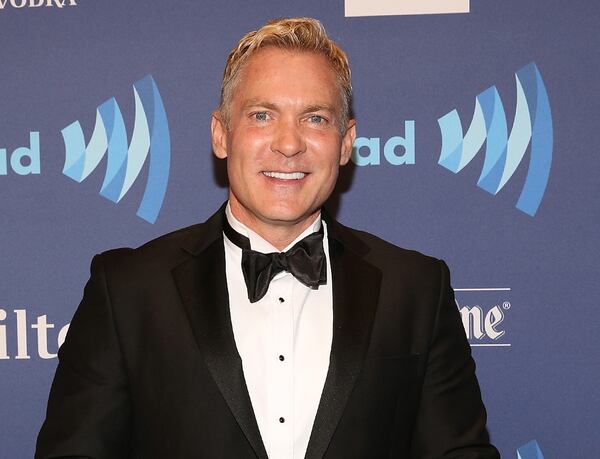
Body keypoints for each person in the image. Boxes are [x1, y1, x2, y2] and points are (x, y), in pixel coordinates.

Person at [36, 17, 500, 459]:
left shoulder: (416, 288)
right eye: (262, 115)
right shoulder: (128, 290)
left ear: (345, 142)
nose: (289, 143)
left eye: (315, 118)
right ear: (222, 134)